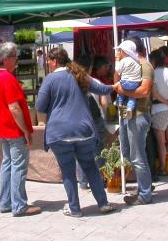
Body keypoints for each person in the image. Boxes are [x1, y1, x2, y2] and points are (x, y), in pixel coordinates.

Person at [36, 47, 116, 217]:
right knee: (90, 166)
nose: (48, 64)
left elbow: (40, 107)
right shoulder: (80, 75)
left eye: (49, 61)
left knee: (67, 170)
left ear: (54, 61)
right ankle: (103, 203)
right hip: (84, 130)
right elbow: (102, 89)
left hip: (59, 133)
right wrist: (116, 85)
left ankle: (75, 209)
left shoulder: (50, 79)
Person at [0, 42, 41, 217]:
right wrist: (25, 130)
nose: (16, 59)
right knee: (18, 166)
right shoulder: (7, 78)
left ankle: (5, 202)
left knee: (8, 165)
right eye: (13, 56)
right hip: (14, 130)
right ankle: (19, 205)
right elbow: (14, 107)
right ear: (5, 59)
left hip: (4, 129)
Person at [114, 37, 156, 205]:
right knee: (130, 153)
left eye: (121, 51)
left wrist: (122, 89)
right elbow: (115, 81)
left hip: (138, 115)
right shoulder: (128, 64)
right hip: (129, 115)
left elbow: (144, 91)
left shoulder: (144, 66)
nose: (119, 53)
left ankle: (145, 194)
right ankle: (144, 187)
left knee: (137, 156)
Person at [74, 55, 108, 190]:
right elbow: (104, 103)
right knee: (98, 150)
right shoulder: (96, 82)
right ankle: (100, 179)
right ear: (91, 67)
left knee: (80, 152)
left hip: (78, 121)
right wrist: (104, 119)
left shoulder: (72, 83)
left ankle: (83, 182)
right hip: (95, 120)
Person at [114, 40, 142, 118]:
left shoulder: (124, 60)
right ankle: (129, 108)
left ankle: (119, 102)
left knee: (120, 91)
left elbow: (117, 70)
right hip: (135, 83)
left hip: (125, 82)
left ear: (123, 51)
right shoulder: (137, 61)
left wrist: (117, 60)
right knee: (132, 97)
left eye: (120, 51)